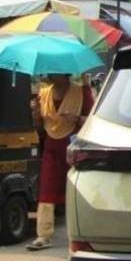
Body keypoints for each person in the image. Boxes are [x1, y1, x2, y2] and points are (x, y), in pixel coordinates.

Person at [27, 73, 95, 251]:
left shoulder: (80, 93)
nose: (49, 74)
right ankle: (43, 235)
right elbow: (41, 130)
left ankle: (85, 233)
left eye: (54, 70)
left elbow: (93, 122)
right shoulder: (44, 94)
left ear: (64, 73)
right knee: (47, 190)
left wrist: (76, 119)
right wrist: (36, 114)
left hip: (73, 146)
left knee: (78, 190)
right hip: (51, 146)